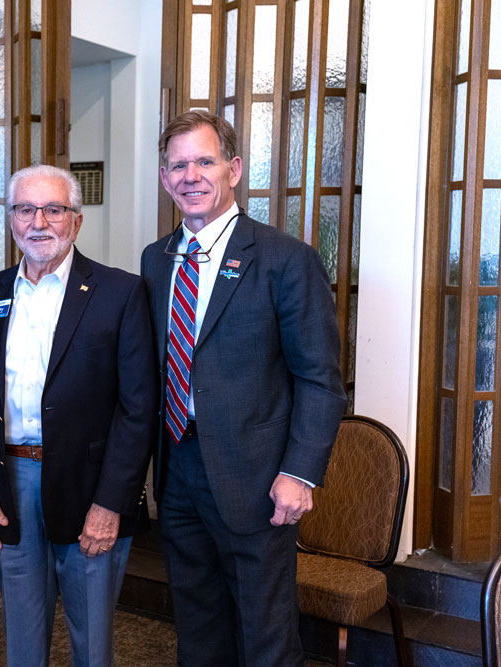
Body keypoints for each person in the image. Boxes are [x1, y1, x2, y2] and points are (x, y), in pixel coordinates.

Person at [140, 110, 347, 666]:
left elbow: (321, 381)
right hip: (178, 469)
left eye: (204, 161)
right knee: (198, 626)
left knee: (266, 638)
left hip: (257, 478)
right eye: (178, 165)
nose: (191, 176)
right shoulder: (156, 262)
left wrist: (299, 474)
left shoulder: (285, 259)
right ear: (164, 179)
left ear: (232, 169)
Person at [0, 164, 156, 667]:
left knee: (92, 643)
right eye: (25, 209)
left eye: (53, 209)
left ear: (76, 220)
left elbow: (138, 410)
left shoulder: (120, 293)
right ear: (11, 220)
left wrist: (112, 502)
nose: (38, 222)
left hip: (90, 488)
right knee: (21, 639)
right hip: (10, 487)